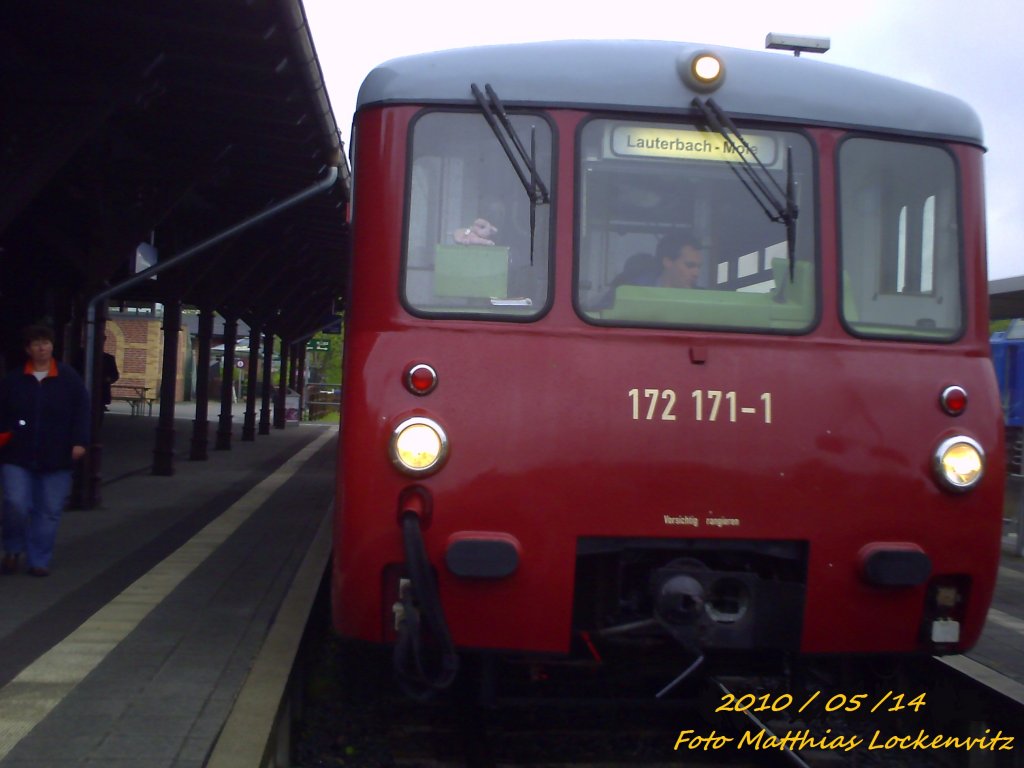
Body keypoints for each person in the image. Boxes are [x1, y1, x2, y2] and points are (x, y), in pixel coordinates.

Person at [0, 325, 90, 576]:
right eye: (37, 343)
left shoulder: (68, 378)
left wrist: (79, 441)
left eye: (46, 343)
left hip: (57, 455)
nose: (42, 348)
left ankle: (39, 559)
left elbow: (81, 411)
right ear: (28, 349)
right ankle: (12, 547)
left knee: (49, 509)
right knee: (15, 503)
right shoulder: (14, 380)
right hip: (17, 454)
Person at [616, 232, 706, 290]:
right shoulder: (629, 293)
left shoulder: (704, 300)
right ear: (668, 262)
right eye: (690, 265)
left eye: (699, 267)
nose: (696, 274)